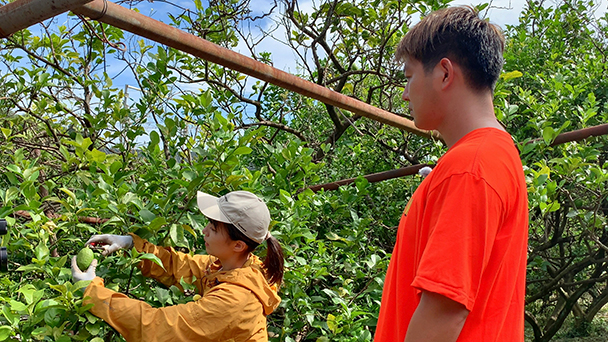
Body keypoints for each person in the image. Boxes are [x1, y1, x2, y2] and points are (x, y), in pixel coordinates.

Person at [374, 6, 528, 342]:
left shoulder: (471, 166)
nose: (404, 92)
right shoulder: (496, 156)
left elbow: (443, 312)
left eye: (409, 76)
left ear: (444, 73)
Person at [71, 190, 284, 342]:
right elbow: (178, 265)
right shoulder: (236, 267)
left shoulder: (234, 301)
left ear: (238, 245)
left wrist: (93, 292)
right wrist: (129, 243)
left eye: (214, 228)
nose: (204, 232)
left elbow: (158, 326)